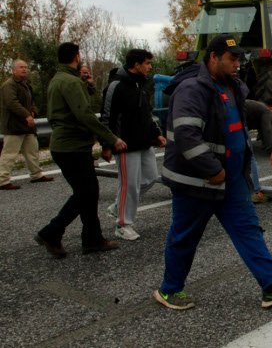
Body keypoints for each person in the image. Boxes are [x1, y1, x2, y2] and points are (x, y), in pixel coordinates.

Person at [155, 34, 272, 310]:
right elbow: (187, 135)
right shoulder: (192, 89)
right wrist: (213, 170)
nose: (237, 63)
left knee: (248, 229)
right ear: (214, 58)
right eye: (232, 59)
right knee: (185, 236)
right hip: (198, 180)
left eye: (239, 58)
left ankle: (271, 285)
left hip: (232, 178)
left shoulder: (232, 87)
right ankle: (169, 289)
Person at [35, 42, 127, 259]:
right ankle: (52, 232)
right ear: (76, 57)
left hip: (64, 146)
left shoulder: (58, 79)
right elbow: (84, 115)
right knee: (85, 193)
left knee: (88, 192)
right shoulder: (71, 82)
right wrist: (111, 138)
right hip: (73, 147)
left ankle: (92, 239)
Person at [101, 49, 166, 241]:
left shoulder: (141, 85)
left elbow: (146, 114)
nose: (150, 67)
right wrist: (107, 144)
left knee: (150, 177)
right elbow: (106, 116)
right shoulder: (116, 86)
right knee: (128, 185)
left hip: (144, 142)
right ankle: (123, 224)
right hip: (124, 144)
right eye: (147, 63)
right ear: (136, 64)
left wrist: (157, 134)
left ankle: (117, 206)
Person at [0, 60, 54, 190]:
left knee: (32, 151)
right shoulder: (9, 85)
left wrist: (33, 111)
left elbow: (31, 101)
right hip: (14, 126)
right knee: (10, 154)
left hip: (26, 125)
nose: (24, 69)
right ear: (13, 70)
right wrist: (27, 115)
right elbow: (11, 103)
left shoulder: (26, 84)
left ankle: (37, 175)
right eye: (21, 67)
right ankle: (2, 180)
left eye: (26, 67)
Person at [245, 99, 272, 204]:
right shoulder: (266, 110)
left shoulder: (256, 106)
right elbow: (267, 130)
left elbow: (262, 131)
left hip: (230, 121)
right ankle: (256, 191)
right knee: (250, 157)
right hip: (239, 124)